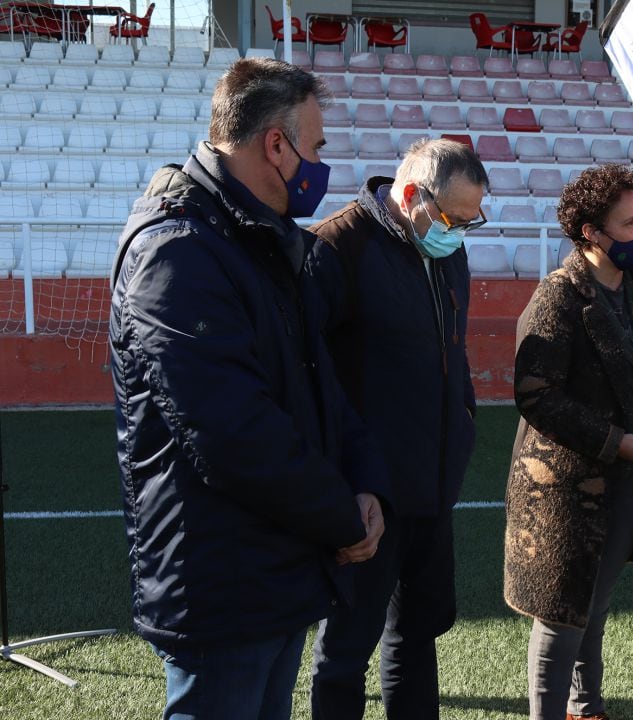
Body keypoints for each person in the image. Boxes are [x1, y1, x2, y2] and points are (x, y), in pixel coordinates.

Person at [110, 58, 387, 720]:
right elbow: (233, 432)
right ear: (275, 144)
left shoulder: (263, 239)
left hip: (277, 570)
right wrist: (340, 518)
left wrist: (364, 480)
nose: (320, 164)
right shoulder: (178, 250)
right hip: (221, 587)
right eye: (314, 148)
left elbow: (318, 382)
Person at [305, 138, 488, 719]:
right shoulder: (335, 248)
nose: (460, 232)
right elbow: (308, 379)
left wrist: (462, 418)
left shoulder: (446, 249)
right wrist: (350, 480)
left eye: (471, 220)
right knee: (345, 652)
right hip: (367, 494)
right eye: (455, 218)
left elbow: (451, 352)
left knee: (417, 635)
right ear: (411, 196)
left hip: (432, 488)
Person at [504, 164, 633, 720]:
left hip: (632, 481)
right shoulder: (557, 298)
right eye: (629, 223)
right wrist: (615, 441)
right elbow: (536, 396)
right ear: (591, 231)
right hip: (565, 493)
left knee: (595, 603)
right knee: (562, 616)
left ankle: (586, 710)